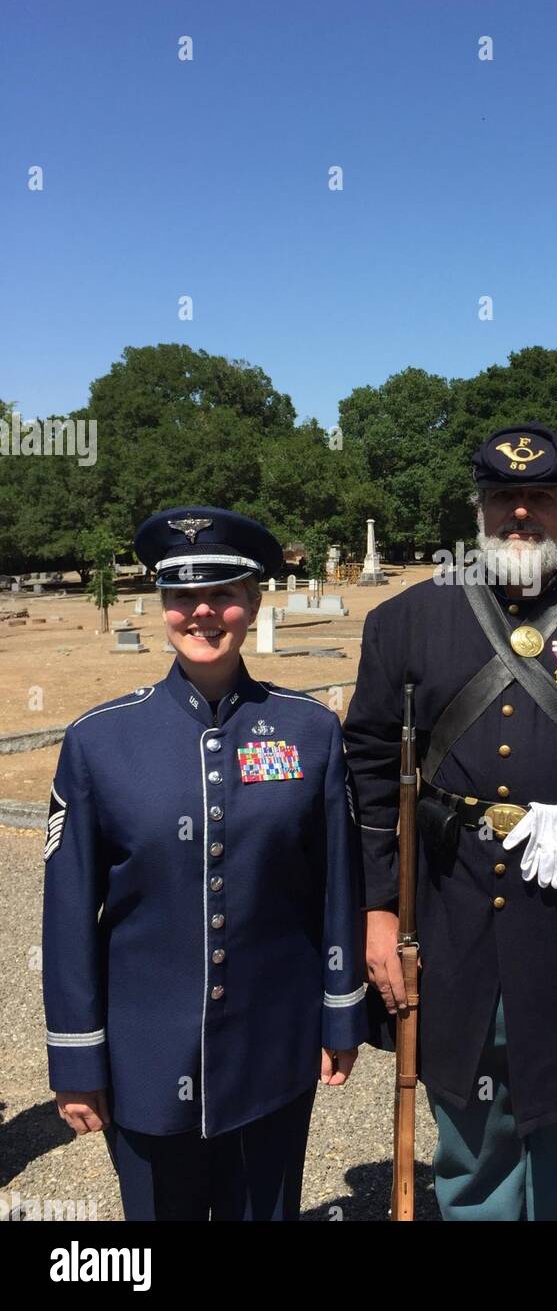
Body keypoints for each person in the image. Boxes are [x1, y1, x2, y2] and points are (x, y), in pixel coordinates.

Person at [342, 423, 557, 1220]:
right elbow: (366, 781)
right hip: (445, 910)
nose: (521, 515)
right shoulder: (403, 622)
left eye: (540, 498)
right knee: (466, 1130)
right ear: (479, 508)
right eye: (505, 497)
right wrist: (372, 909)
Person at [42, 507, 368, 1221]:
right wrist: (75, 1058)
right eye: (181, 597)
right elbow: (67, 914)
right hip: (144, 1049)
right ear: (161, 607)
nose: (201, 612)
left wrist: (341, 1014)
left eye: (221, 593)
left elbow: (337, 883)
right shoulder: (101, 740)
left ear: (252, 602)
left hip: (272, 1043)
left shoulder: (308, 731)